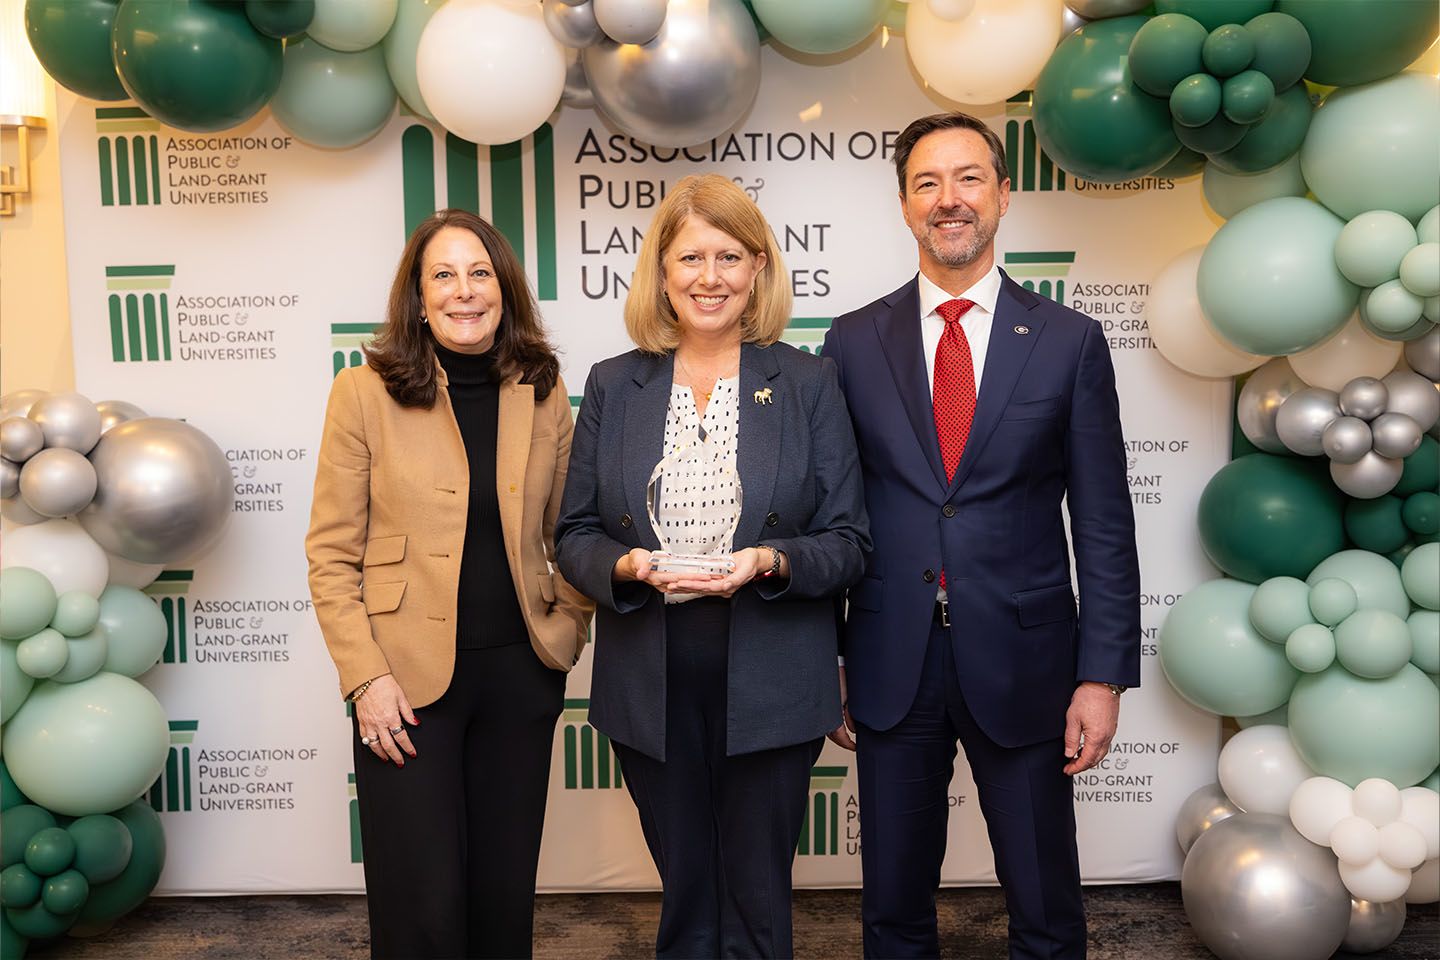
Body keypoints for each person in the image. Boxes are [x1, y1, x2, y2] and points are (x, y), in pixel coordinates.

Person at [822, 113, 1141, 959]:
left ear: (1003, 194)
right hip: (891, 665)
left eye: (968, 179)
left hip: (1031, 664)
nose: (948, 200)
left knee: (1044, 905)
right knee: (892, 909)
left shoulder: (1070, 341)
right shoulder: (852, 342)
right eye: (927, 183)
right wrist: (833, 658)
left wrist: (1103, 675)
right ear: (903, 206)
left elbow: (1105, 520)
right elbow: (832, 514)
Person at [555, 173, 870, 959]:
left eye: (730, 256)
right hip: (651, 677)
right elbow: (573, 535)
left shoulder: (807, 383)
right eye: (690, 257)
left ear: (758, 268)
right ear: (661, 272)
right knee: (687, 894)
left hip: (771, 671)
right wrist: (629, 566)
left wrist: (768, 559)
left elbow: (850, 542)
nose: (710, 277)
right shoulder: (612, 385)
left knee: (759, 898)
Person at [306, 208, 593, 960]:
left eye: (479, 273)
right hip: (402, 687)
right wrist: (365, 679)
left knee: (502, 906)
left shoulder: (542, 388)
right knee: (421, 912)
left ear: (504, 289)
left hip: (521, 676)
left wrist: (566, 627)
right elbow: (332, 554)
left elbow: (577, 531)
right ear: (418, 295)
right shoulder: (362, 392)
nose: (464, 292)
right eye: (443, 275)